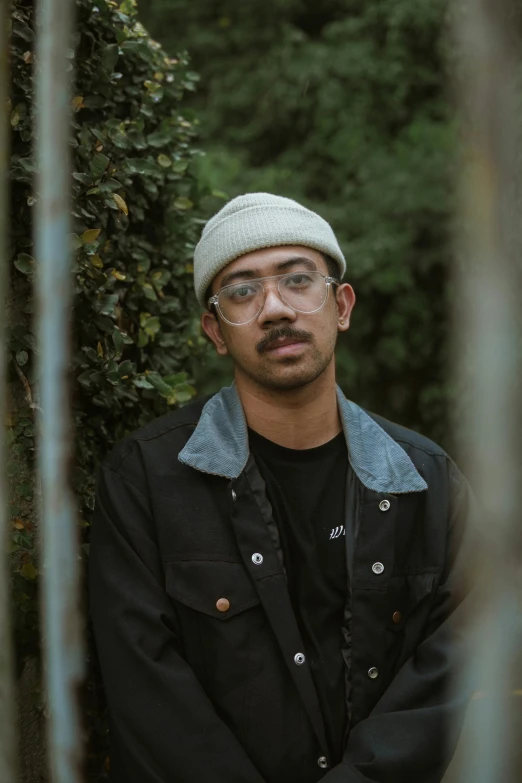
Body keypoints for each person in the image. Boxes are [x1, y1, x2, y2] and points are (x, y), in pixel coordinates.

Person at [89, 193, 473, 783]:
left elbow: (444, 680)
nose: (275, 308)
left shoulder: (429, 483)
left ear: (340, 305)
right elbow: (151, 699)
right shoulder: (144, 481)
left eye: (298, 280)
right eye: (242, 291)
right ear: (215, 332)